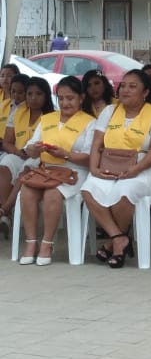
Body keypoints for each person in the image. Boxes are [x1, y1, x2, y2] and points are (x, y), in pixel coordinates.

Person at [82, 69, 151, 268]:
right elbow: (97, 144)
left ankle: (114, 244)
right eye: (123, 85)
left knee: (125, 191)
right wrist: (94, 168)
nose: (125, 90)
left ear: (145, 92)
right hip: (110, 164)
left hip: (143, 168)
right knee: (89, 189)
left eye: (132, 86)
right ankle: (119, 238)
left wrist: (136, 169)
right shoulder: (109, 111)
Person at [19, 76, 95, 266]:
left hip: (75, 171)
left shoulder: (90, 123)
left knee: (53, 193)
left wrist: (66, 155)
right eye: (60, 98)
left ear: (81, 98)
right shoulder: (48, 119)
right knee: (27, 191)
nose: (65, 103)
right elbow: (29, 148)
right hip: (46, 170)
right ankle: (31, 243)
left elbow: (90, 157)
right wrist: (34, 149)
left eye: (70, 98)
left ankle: (47, 244)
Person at [0, 77, 54, 236]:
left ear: (46, 95)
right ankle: (5, 215)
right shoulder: (18, 112)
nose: (33, 98)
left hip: (42, 158)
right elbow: (7, 142)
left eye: (38, 94)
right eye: (30, 94)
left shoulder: (52, 116)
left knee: (26, 170)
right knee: (5, 165)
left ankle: (4, 211)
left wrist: (31, 152)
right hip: (19, 153)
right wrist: (19, 152)